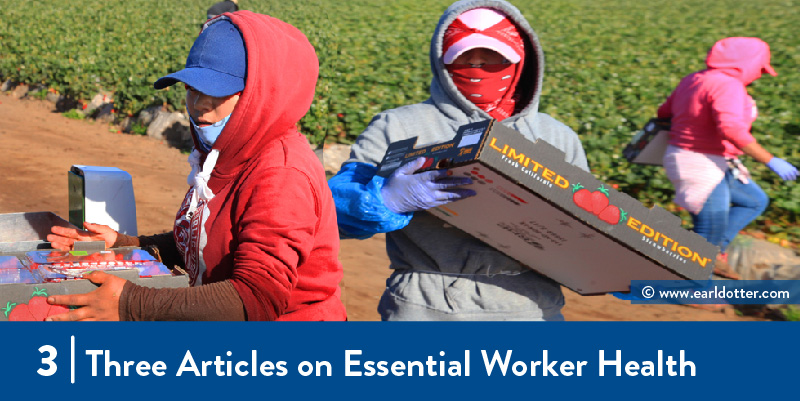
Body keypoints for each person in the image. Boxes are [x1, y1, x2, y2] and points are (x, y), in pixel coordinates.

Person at [44, 11, 346, 321]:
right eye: (191, 89)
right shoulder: (224, 153)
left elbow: (255, 299)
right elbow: (203, 250)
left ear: (260, 94)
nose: (200, 104)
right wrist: (125, 245)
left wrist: (132, 304)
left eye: (217, 91)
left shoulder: (281, 174)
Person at [328, 0, 588, 321]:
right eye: (464, 58)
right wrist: (384, 199)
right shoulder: (398, 126)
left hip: (531, 309)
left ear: (522, 61)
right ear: (442, 63)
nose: (477, 66)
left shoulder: (556, 136)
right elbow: (331, 212)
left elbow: (586, 234)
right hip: (424, 307)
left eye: (493, 57)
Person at [657, 37, 798, 277]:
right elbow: (730, 129)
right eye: (759, 69)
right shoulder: (727, 85)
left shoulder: (694, 79)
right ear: (746, 64)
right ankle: (685, 285)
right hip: (700, 163)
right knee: (708, 230)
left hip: (699, 158)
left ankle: (713, 253)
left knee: (754, 200)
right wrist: (770, 159)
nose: (759, 75)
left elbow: (664, 113)